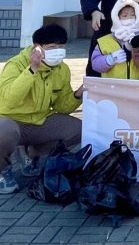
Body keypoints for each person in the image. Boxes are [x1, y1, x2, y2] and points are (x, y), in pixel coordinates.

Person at [0, 24, 83, 194]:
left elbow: (62, 106)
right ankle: (2, 171)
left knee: (78, 129)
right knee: (3, 132)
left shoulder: (62, 69)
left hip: (40, 120)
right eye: (52, 47)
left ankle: (31, 154)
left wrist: (78, 94)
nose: (58, 51)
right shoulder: (15, 65)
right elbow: (9, 100)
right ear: (37, 47)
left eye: (61, 47)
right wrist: (32, 69)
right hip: (11, 119)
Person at [91, 0, 139, 80]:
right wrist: (109, 60)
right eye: (125, 16)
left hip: (137, 89)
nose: (129, 19)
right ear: (116, 17)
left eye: (133, 15)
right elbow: (95, 64)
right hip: (113, 89)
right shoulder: (105, 41)